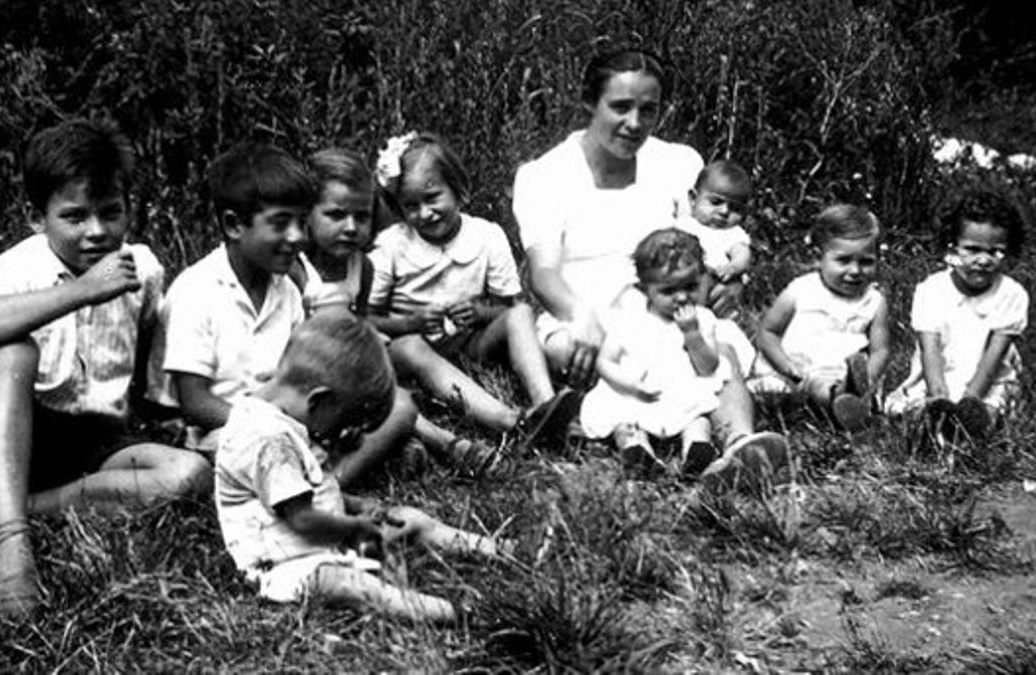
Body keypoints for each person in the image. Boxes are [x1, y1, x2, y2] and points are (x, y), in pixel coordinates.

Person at [0, 120, 212, 619]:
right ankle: (11, 541)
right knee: (13, 351)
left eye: (110, 213)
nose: (97, 231)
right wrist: (82, 290)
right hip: (0, 427)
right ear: (38, 219)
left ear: (129, 210)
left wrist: (157, 414)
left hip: (88, 442)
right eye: (75, 217)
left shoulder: (141, 268)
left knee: (187, 475)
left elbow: (144, 345)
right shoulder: (19, 267)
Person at [513, 48, 788, 490]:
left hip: (668, 306)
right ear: (589, 102)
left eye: (648, 109)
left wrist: (729, 282)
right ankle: (623, 423)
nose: (635, 123)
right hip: (585, 311)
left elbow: (708, 244)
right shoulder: (546, 175)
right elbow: (542, 274)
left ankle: (739, 446)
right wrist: (582, 316)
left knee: (717, 345)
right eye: (620, 107)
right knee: (577, 351)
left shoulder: (677, 163)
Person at [154, 143, 415, 487]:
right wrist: (285, 430)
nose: (295, 236)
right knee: (271, 453)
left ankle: (325, 479)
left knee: (401, 407)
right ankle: (327, 484)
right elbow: (196, 404)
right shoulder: (197, 290)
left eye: (300, 222)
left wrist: (323, 422)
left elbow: (294, 380)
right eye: (280, 224)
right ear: (233, 225)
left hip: (279, 418)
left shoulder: (288, 289)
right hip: (216, 431)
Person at [216, 310, 503, 622]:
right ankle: (456, 614)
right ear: (320, 402)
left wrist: (356, 505)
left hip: (325, 542)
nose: (338, 436)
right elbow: (301, 520)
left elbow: (305, 490)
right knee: (352, 586)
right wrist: (353, 529)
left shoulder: (286, 419)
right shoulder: (268, 441)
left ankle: (501, 550)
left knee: (409, 520)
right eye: (342, 424)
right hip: (285, 565)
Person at [369, 132, 580, 453]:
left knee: (521, 315)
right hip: (410, 352)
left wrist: (481, 313)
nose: (425, 213)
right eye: (411, 206)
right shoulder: (392, 246)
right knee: (411, 348)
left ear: (458, 189)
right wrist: (410, 323)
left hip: (468, 343)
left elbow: (508, 305)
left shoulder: (486, 236)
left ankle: (546, 405)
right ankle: (509, 421)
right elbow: (365, 318)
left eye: (433, 197)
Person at [293, 147, 495, 473]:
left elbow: (359, 322)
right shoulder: (298, 271)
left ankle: (502, 417)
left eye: (361, 217)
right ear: (306, 215)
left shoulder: (361, 267)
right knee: (374, 391)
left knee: (408, 351)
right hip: (315, 378)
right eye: (335, 215)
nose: (350, 227)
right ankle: (444, 442)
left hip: (360, 362)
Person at [579, 229, 726, 476]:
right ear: (644, 289)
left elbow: (708, 366)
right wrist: (628, 385)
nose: (681, 297)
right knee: (623, 421)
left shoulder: (702, 319)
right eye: (668, 291)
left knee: (698, 417)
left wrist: (692, 334)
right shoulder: (629, 318)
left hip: (682, 390)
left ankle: (696, 449)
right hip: (635, 391)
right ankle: (637, 452)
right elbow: (605, 361)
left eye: (690, 286)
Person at [884, 189, 1028, 440]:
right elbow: (930, 350)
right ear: (952, 248)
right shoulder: (931, 290)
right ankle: (931, 424)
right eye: (972, 249)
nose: (983, 260)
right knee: (911, 408)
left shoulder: (1011, 294)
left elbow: (993, 358)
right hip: (935, 379)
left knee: (988, 412)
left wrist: (971, 399)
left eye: (995, 251)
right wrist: (939, 396)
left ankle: (969, 429)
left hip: (987, 383)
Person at [750, 204, 891, 431]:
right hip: (795, 373)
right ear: (819, 258)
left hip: (841, 372)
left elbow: (880, 350)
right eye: (843, 260)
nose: (855, 270)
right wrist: (786, 366)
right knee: (804, 388)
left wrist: (867, 380)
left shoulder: (874, 300)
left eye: (866, 261)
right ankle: (839, 401)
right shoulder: (801, 290)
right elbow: (767, 332)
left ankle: (849, 397)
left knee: (839, 387)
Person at [676, 160, 753, 320]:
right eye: (716, 202)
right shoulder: (684, 224)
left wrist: (733, 267)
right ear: (692, 199)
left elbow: (742, 253)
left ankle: (700, 317)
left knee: (707, 276)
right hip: (684, 280)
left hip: (719, 281)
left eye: (735, 208)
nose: (724, 211)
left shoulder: (732, 233)